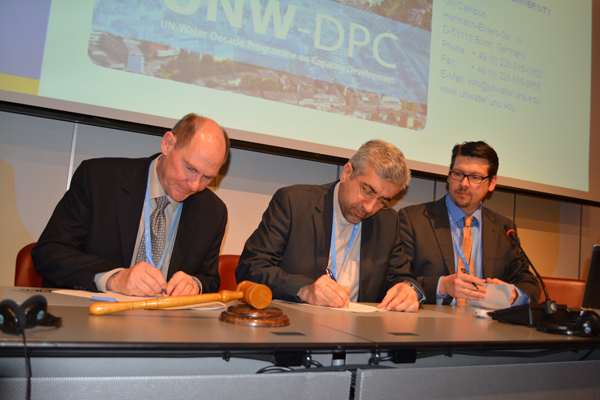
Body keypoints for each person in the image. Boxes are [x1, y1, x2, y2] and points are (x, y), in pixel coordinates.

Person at [32, 113, 229, 297]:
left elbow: (209, 279)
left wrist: (195, 284)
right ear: (168, 144)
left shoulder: (213, 212)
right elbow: (50, 253)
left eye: (207, 177)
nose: (195, 185)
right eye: (190, 168)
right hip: (93, 313)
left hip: (166, 320)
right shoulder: (97, 180)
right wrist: (114, 279)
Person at [236, 140, 423, 312]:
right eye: (367, 190)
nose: (369, 208)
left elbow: (403, 276)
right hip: (297, 326)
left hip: (360, 332)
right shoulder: (294, 204)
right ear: (347, 173)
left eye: (383, 201)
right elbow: (251, 267)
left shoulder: (387, 222)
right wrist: (304, 290)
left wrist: (407, 288)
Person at [398, 141, 541, 306]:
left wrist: (514, 294)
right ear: (449, 176)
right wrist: (442, 286)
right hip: (431, 319)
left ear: (492, 183)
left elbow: (528, 283)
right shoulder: (413, 220)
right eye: (458, 174)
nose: (464, 184)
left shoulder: (504, 229)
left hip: (486, 320)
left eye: (475, 177)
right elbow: (398, 279)